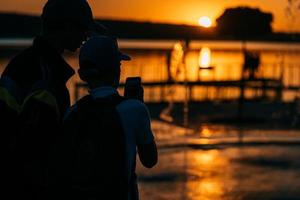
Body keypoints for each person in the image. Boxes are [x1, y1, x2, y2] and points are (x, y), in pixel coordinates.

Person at [0, 0, 105, 199]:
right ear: (66, 27)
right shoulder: (46, 78)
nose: (86, 36)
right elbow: (36, 155)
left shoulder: (22, 63)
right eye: (82, 28)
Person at [61, 36, 158, 200]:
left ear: (84, 75)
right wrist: (139, 106)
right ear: (116, 69)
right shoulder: (134, 109)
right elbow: (150, 160)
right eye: (119, 65)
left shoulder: (71, 113)